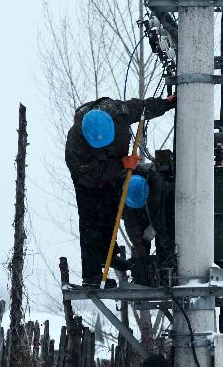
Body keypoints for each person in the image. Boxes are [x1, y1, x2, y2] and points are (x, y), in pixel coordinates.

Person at [65, 95, 175, 287]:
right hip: (88, 181)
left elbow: (142, 107)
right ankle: (91, 275)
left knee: (110, 213)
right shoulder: (75, 145)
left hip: (113, 173)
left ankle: (108, 255)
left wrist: (166, 104)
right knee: (91, 222)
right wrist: (121, 164)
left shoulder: (118, 113)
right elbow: (92, 175)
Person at [122, 172, 156, 286]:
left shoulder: (158, 184)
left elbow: (163, 213)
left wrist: (153, 226)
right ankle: (142, 273)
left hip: (153, 210)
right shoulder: (121, 192)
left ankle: (160, 270)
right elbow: (130, 223)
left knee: (164, 242)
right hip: (133, 213)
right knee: (140, 247)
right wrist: (138, 244)